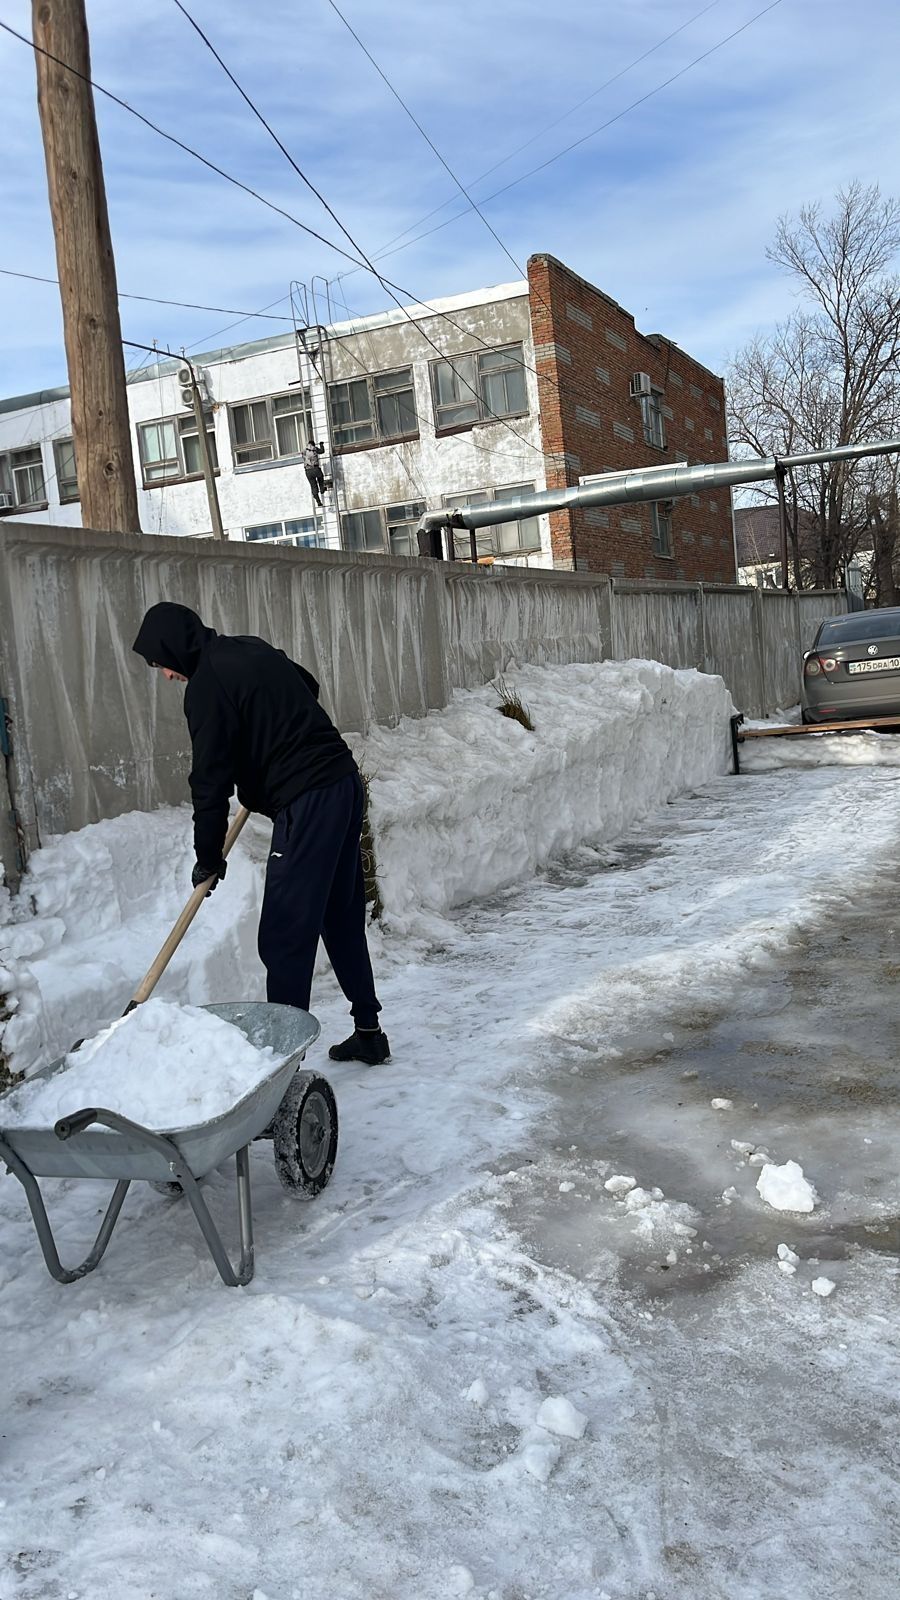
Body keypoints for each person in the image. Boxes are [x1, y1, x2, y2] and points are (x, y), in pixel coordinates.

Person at [132, 601, 389, 1065]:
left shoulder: (206, 689)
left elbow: (208, 782)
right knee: (339, 915)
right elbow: (305, 684)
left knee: (285, 934)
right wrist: (268, 746)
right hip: (342, 783)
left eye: (161, 664)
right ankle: (368, 1032)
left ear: (175, 648)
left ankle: (281, 1066)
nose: (167, 675)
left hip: (308, 800)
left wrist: (208, 855)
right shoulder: (247, 648)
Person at [303, 439, 327, 508]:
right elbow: (322, 451)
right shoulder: (314, 449)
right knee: (320, 477)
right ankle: (322, 488)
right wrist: (321, 445)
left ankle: (318, 502)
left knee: (313, 486)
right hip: (315, 468)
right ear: (313, 444)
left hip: (308, 471)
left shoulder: (304, 450)